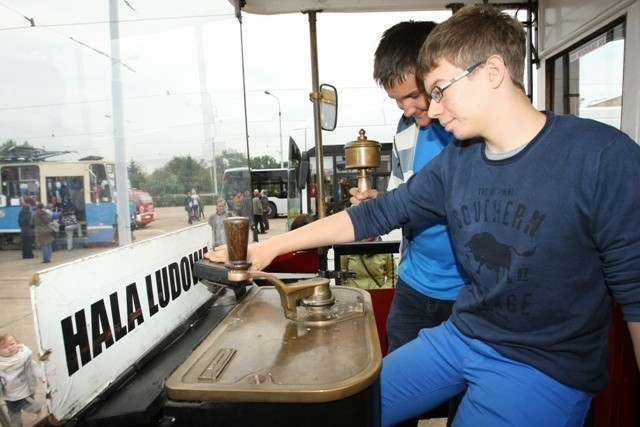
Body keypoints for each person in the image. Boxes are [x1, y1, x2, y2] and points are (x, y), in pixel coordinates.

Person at [205, 5, 640, 426]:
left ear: (492, 72)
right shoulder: (458, 163)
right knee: (339, 411)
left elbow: (635, 290)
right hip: (461, 336)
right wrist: (269, 247)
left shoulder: (601, 156)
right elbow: (376, 214)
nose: (430, 111)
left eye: (439, 90)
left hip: (544, 365)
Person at [369, 20, 468, 355]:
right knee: (397, 394)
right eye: (397, 101)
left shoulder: (473, 133)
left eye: (413, 95)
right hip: (414, 286)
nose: (408, 109)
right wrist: (377, 206)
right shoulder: (406, 130)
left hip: (468, 294)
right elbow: (402, 201)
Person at [0, 333, 43, 427]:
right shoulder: (1, 365)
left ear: (17, 343)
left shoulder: (24, 357)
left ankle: (39, 411)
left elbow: (35, 368)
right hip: (9, 396)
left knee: (31, 406)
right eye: (5, 347)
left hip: (24, 392)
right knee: (13, 413)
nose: (10, 348)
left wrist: (43, 378)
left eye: (12, 344)